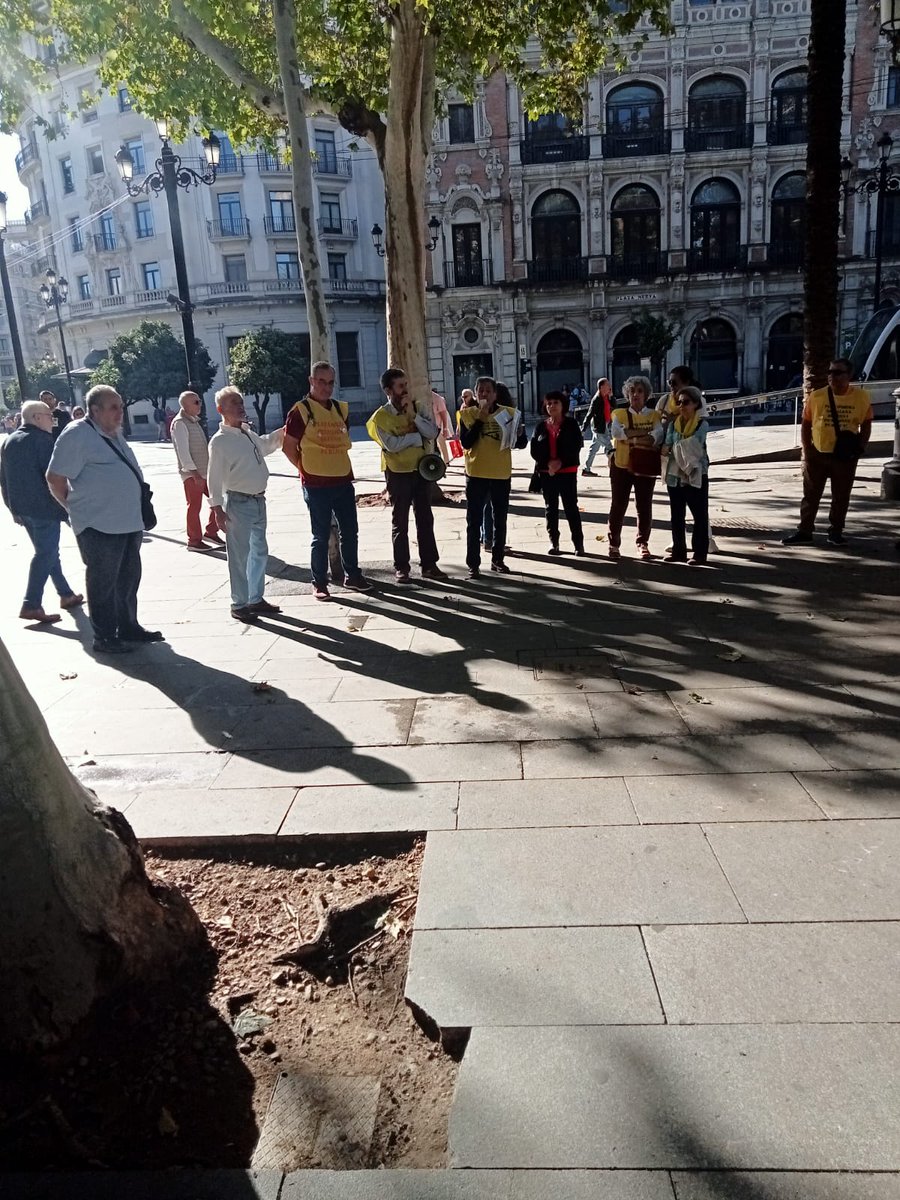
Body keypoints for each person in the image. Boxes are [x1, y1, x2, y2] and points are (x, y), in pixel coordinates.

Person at [46, 385, 163, 654]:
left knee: (128, 581)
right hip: (98, 525)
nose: (120, 412)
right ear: (94, 410)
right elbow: (55, 479)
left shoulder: (113, 433)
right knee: (103, 585)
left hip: (129, 522)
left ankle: (129, 627)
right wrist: (75, 509)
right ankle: (105, 637)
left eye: (121, 406)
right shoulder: (77, 435)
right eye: (113, 407)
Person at [282, 360, 372, 600]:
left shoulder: (340, 409)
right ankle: (319, 582)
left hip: (342, 480)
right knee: (320, 535)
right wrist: (304, 469)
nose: (326, 387)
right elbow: (288, 446)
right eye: (321, 381)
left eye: (330, 382)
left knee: (350, 531)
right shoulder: (299, 411)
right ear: (311, 381)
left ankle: (353, 575)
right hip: (316, 484)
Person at [1, 400, 83, 623]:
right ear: (36, 418)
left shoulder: (9, 441)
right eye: (49, 416)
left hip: (23, 509)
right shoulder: (43, 440)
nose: (52, 421)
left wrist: (12, 508)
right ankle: (31, 604)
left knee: (47, 552)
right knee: (45, 554)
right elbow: (55, 477)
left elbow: (4, 480)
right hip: (44, 508)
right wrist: (68, 504)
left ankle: (65, 594)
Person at [207, 387, 285, 622]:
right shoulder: (220, 442)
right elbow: (214, 477)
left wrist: (283, 432)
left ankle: (255, 598)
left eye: (241, 402)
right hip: (238, 502)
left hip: (258, 500)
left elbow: (265, 445)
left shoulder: (247, 433)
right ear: (221, 410)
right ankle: (239, 603)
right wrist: (217, 509)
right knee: (240, 555)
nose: (241, 406)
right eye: (234, 403)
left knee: (259, 551)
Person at [366, 369, 449, 584]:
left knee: (425, 519)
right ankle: (402, 567)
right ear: (388, 390)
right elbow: (391, 446)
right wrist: (415, 438)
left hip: (421, 471)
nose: (405, 390)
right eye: (400, 386)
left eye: (406, 385)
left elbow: (432, 433)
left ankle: (429, 565)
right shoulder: (380, 417)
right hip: (398, 474)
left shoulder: (417, 407)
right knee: (400, 522)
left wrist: (413, 416)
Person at [782, 358, 873, 547]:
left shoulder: (861, 397)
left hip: (845, 456)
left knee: (841, 495)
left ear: (849, 376)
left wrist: (861, 446)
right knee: (811, 495)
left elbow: (866, 423)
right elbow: (806, 423)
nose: (832, 376)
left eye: (838, 373)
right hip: (818, 453)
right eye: (830, 372)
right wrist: (807, 449)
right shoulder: (817, 396)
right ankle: (805, 530)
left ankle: (836, 531)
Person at [458, 375, 523, 578]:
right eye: (481, 390)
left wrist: (519, 434)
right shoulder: (467, 415)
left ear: (495, 394)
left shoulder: (509, 414)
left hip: (500, 474)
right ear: (476, 394)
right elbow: (466, 443)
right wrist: (480, 418)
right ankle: (473, 564)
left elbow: (521, 444)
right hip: (476, 474)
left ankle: (497, 559)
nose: (484, 394)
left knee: (499, 519)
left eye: (488, 390)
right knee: (474, 520)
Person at [607, 375, 664, 562]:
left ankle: (642, 543)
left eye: (639, 391)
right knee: (618, 505)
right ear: (627, 394)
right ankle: (613, 543)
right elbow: (617, 433)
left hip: (646, 465)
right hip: (621, 465)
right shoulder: (619, 413)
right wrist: (644, 434)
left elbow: (657, 436)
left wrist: (630, 435)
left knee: (644, 505)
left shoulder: (654, 415)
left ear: (646, 394)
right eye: (632, 391)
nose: (636, 395)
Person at [530, 390, 585, 556]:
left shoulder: (571, 424)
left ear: (563, 405)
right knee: (550, 508)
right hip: (547, 473)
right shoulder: (540, 426)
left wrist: (561, 462)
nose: (551, 406)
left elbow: (576, 445)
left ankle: (578, 544)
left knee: (571, 507)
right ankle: (554, 542)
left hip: (567, 471)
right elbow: (534, 449)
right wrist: (548, 463)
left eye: (555, 403)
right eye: (549, 403)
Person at [661, 386, 710, 565]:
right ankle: (678, 550)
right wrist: (675, 448)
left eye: (686, 402)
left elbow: (695, 445)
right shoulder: (674, 424)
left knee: (699, 515)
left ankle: (699, 552)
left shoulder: (701, 424)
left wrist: (674, 448)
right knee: (676, 514)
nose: (681, 406)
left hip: (695, 474)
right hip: (675, 475)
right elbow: (667, 445)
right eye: (679, 402)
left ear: (696, 404)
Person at [170, 390, 223, 552]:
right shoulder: (180, 423)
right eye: (196, 402)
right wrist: (194, 474)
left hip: (204, 471)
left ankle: (211, 532)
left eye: (199, 401)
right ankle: (193, 541)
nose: (200, 404)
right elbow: (183, 451)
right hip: (193, 474)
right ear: (185, 405)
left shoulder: (193, 421)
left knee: (219, 500)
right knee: (194, 506)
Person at [581, 377, 613, 476]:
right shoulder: (596, 399)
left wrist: (611, 397)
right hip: (599, 428)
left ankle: (586, 469)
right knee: (610, 448)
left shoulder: (607, 396)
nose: (609, 386)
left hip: (605, 425)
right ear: (602, 387)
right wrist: (583, 429)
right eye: (607, 385)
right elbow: (589, 414)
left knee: (594, 448)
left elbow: (614, 406)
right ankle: (614, 469)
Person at [431, 389, 453, 465]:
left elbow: (444, 414)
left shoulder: (437, 398)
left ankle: (446, 461)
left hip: (438, 427)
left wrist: (445, 428)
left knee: (441, 443)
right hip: (427, 428)